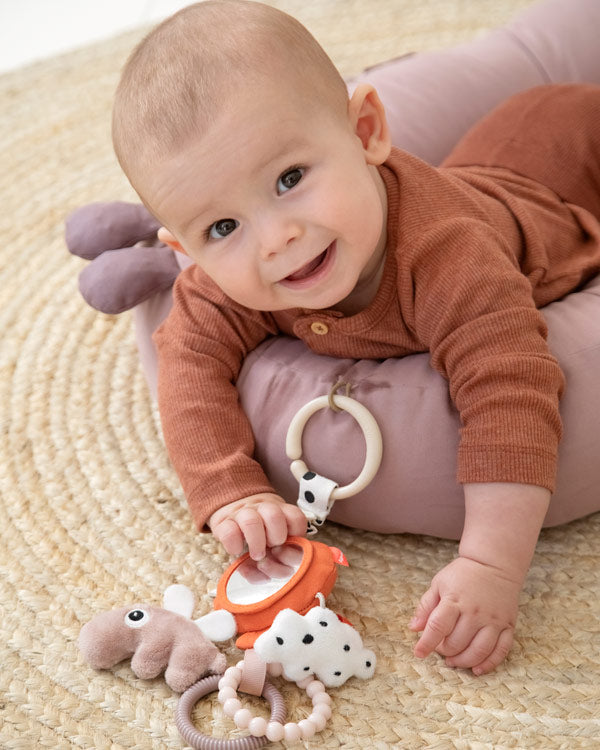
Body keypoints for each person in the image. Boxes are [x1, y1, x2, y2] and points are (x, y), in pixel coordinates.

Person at [111, 0, 600, 676]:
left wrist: (489, 564)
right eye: (222, 228)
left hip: (569, 161)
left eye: (290, 180)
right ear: (184, 250)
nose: (276, 239)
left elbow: (512, 393)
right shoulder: (226, 281)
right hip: (486, 166)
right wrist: (229, 490)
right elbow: (187, 363)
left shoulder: (450, 258)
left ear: (366, 131)